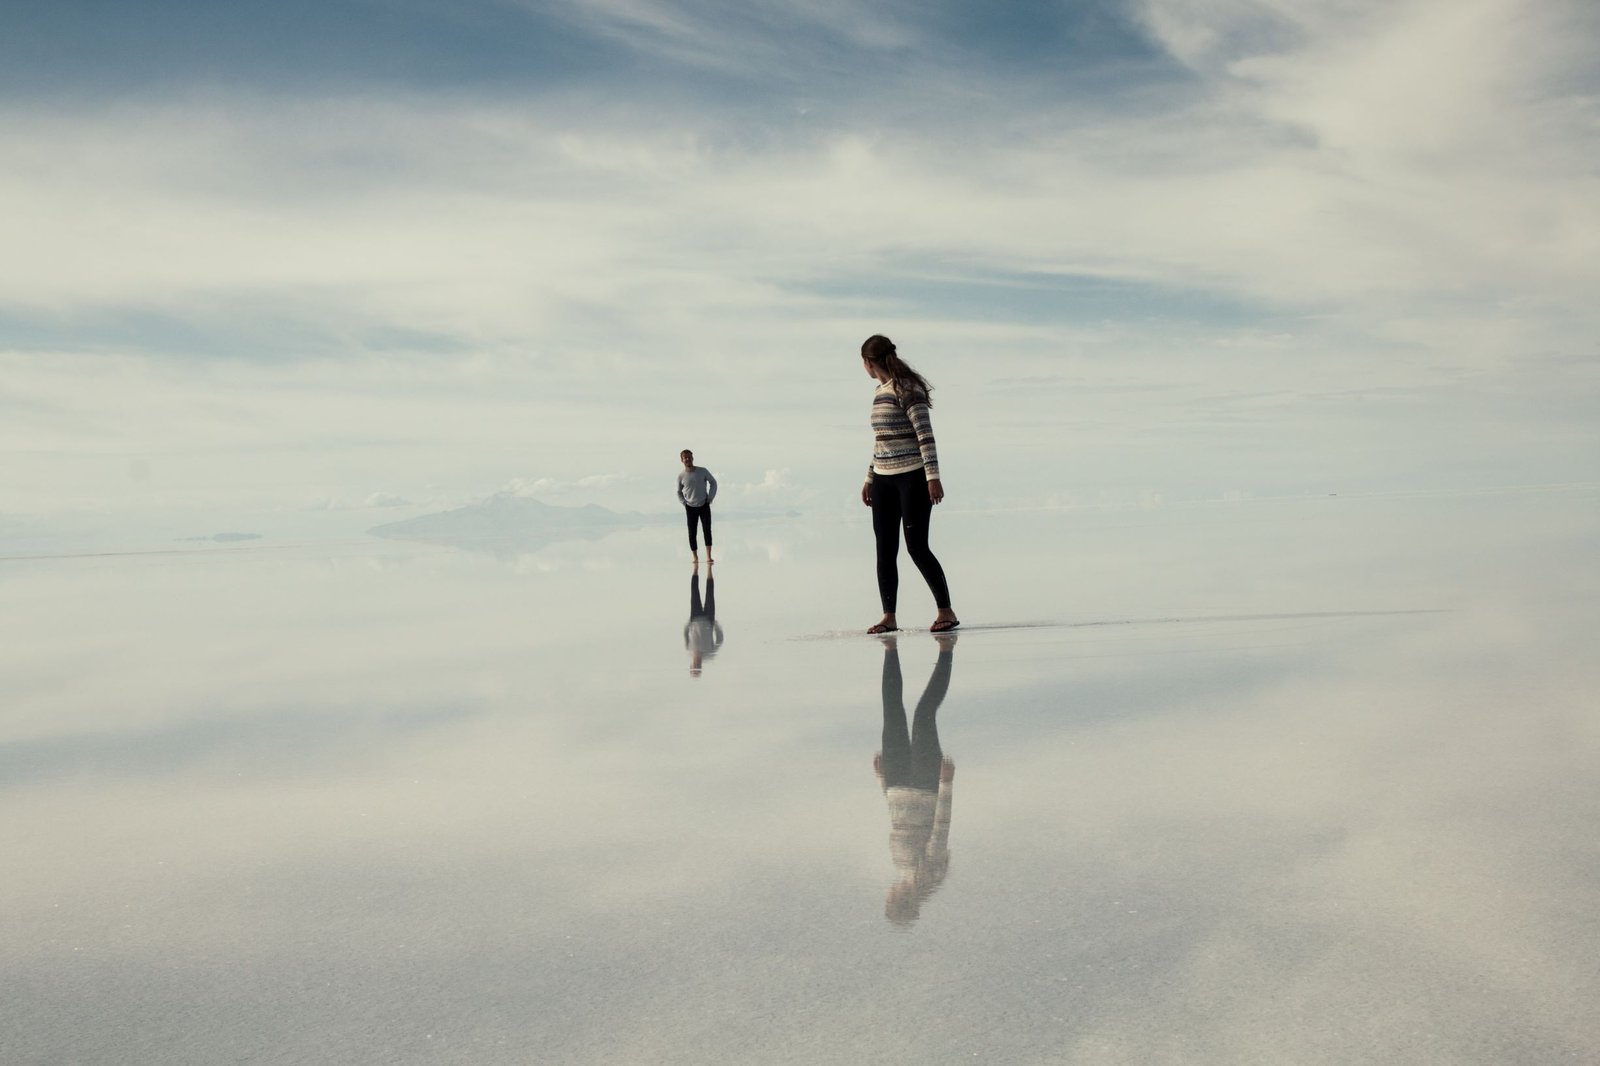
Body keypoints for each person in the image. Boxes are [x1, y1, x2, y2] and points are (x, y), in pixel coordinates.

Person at [858, 335, 959, 634]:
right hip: (883, 480)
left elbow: (924, 434)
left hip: (912, 478)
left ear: (869, 362)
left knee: (917, 547)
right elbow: (880, 441)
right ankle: (889, 616)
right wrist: (869, 477)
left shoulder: (907, 389)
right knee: (885, 550)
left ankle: (946, 611)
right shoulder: (880, 392)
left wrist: (932, 477)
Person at [874, 631, 956, 924]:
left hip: (896, 783)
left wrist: (882, 780)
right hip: (924, 784)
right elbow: (940, 829)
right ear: (902, 902)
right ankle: (946, 654)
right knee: (924, 715)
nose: (888, 893)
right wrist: (946, 784)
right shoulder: (928, 876)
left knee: (891, 710)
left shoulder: (902, 869)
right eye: (890, 900)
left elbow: (898, 821)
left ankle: (890, 653)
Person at [677, 448, 717, 565]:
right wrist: (684, 503)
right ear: (682, 460)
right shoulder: (681, 476)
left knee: (707, 530)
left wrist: (710, 497)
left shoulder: (702, 471)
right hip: (690, 507)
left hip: (704, 504)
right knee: (692, 532)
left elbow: (713, 483)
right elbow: (678, 492)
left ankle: (709, 556)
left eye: (689, 457)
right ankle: (695, 557)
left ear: (692, 458)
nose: (687, 459)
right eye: (685, 458)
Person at [684, 570, 723, 676]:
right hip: (709, 619)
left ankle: (695, 568)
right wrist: (715, 625)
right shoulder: (709, 654)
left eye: (694, 665)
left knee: (694, 590)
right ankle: (709, 570)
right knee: (710, 591)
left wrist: (689, 623)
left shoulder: (689, 649)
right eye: (697, 666)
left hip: (695, 617)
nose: (696, 663)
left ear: (691, 664)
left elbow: (686, 634)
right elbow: (719, 640)